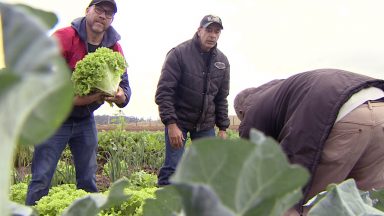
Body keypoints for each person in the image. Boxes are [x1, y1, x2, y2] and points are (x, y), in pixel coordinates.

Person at [234, 68, 384, 215]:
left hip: (342, 114)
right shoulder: (283, 92)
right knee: (363, 202)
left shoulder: (253, 111)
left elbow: (255, 166)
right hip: (379, 107)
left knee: (296, 203)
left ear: (241, 112)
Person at [25, 0, 131, 205]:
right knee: (41, 178)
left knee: (88, 180)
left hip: (84, 121)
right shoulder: (64, 38)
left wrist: (121, 96)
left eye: (109, 13)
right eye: (99, 9)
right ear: (87, 11)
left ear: (112, 20)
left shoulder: (114, 47)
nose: (103, 15)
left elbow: (124, 84)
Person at [155, 14, 230, 186]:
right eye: (208, 30)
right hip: (179, 120)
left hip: (205, 124)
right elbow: (164, 92)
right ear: (199, 30)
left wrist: (223, 128)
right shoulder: (179, 54)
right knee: (173, 168)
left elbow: (221, 97)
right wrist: (171, 124)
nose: (212, 35)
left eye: (216, 32)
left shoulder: (222, 61)